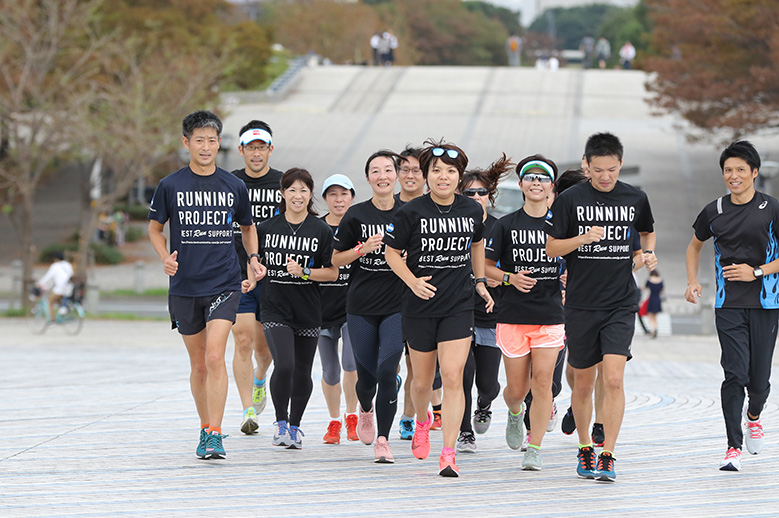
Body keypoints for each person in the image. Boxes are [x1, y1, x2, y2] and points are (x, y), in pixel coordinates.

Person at [148, 110, 264, 460]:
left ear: (218, 144)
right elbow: (154, 228)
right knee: (199, 365)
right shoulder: (170, 185)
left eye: (212, 140)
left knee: (216, 355)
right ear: (186, 143)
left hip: (224, 283)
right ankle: (204, 426)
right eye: (199, 140)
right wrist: (164, 256)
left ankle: (215, 433)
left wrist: (253, 258)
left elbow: (247, 226)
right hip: (184, 286)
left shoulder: (234, 186)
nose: (206, 146)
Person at [545, 132, 656, 482]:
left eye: (611, 169)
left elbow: (647, 233)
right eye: (598, 170)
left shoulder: (635, 197)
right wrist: (582, 239)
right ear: (586, 165)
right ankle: (584, 447)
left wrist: (644, 256)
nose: (605, 176)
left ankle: (608, 453)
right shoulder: (570, 200)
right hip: (580, 303)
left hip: (621, 302)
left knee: (614, 378)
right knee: (582, 383)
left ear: (620, 164)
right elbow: (552, 249)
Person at [385, 140, 493, 478]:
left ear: (458, 177)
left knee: (452, 376)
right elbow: (391, 253)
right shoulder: (409, 212)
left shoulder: (472, 210)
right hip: (419, 305)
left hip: (459, 305)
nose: (443, 177)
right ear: (427, 175)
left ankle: (448, 453)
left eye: (450, 172)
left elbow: (478, 244)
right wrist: (412, 280)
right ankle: (421, 420)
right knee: (420, 381)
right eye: (437, 171)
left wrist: (479, 281)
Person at [685, 140, 779, 472]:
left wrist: (756, 272)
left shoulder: (772, 208)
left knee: (760, 381)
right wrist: (692, 281)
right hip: (728, 305)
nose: (734, 176)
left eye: (741, 169)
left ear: (754, 172)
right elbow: (694, 246)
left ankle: (754, 415)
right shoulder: (715, 211)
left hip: (766, 303)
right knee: (734, 374)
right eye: (728, 170)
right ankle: (732, 447)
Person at [485, 155, 564, 471]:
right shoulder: (505, 224)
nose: (535, 182)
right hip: (513, 315)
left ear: (551, 188)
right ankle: (515, 412)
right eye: (529, 178)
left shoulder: (561, 227)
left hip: (550, 316)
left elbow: (576, 263)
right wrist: (510, 278)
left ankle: (535, 446)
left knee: (543, 383)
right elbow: (486, 268)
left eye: (542, 178)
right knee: (517, 390)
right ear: (520, 185)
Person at [332, 150, 405, 464]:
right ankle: (364, 408)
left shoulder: (409, 212)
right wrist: (362, 249)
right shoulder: (356, 214)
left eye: (388, 170)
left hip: (397, 305)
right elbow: (335, 260)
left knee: (388, 371)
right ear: (368, 179)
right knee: (367, 379)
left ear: (397, 175)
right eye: (376, 171)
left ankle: (383, 440)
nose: (383, 176)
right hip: (360, 306)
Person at [257, 168, 338, 450]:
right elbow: (251, 260)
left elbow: (332, 273)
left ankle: (295, 426)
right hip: (275, 308)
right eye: (292, 189)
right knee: (286, 365)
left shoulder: (321, 230)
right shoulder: (266, 229)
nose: (298, 195)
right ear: (283, 193)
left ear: (310, 195)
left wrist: (304, 272)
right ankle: (280, 422)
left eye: (304, 190)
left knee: (303, 371)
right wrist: (251, 275)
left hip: (308, 309)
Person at [455, 155, 512, 454]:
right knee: (463, 375)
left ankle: (485, 404)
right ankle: (465, 431)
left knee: (487, 383)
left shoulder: (502, 228)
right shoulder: (452, 225)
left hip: (492, 314)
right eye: (469, 193)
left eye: (481, 193)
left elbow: (511, 269)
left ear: (490, 197)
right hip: (459, 312)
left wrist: (499, 280)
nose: (476, 198)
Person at [230, 120, 282, 435]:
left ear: (270, 150)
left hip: (274, 277)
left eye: (262, 147)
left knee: (264, 350)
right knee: (243, 340)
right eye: (251, 148)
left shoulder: (283, 183)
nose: (257, 153)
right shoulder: (230, 182)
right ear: (242, 150)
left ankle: (260, 377)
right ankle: (248, 408)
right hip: (237, 274)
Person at [318, 174, 359, 444]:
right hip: (320, 309)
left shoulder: (358, 225)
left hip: (352, 307)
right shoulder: (317, 228)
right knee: (330, 370)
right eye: (333, 194)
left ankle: (352, 416)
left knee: (350, 363)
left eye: (343, 194)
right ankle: (334, 421)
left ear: (352, 197)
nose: (338, 199)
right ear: (325, 199)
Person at [37, 251, 74, 322]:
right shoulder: (68, 265)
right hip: (69, 288)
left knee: (50, 302)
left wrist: (39, 283)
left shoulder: (55, 266)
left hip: (60, 289)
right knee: (58, 300)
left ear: (56, 259)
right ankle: (63, 311)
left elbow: (48, 277)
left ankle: (52, 319)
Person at [644, 270, 664, 338]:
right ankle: (655, 328)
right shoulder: (660, 280)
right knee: (655, 317)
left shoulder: (649, 280)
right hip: (657, 299)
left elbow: (645, 288)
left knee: (650, 316)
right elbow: (662, 291)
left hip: (651, 298)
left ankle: (654, 329)